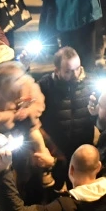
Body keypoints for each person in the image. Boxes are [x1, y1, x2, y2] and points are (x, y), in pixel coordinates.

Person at [37, 46, 95, 187]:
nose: (75, 74)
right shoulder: (45, 86)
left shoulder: (91, 84)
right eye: (68, 71)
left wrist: (97, 112)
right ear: (57, 70)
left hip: (81, 150)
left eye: (78, 68)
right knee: (54, 189)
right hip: (56, 152)